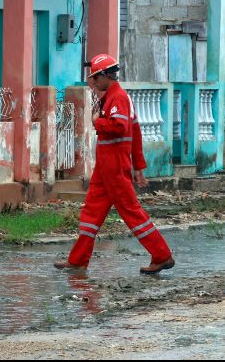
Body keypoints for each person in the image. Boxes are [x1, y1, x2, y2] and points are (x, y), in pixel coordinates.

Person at [54, 54, 174, 275]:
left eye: (95, 77)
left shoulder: (116, 97)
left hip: (114, 166)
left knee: (131, 211)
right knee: (92, 212)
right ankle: (78, 260)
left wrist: (96, 121)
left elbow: (119, 126)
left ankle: (162, 255)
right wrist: (138, 165)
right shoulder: (116, 97)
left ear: (106, 75)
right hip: (107, 167)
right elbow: (135, 130)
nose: (93, 81)